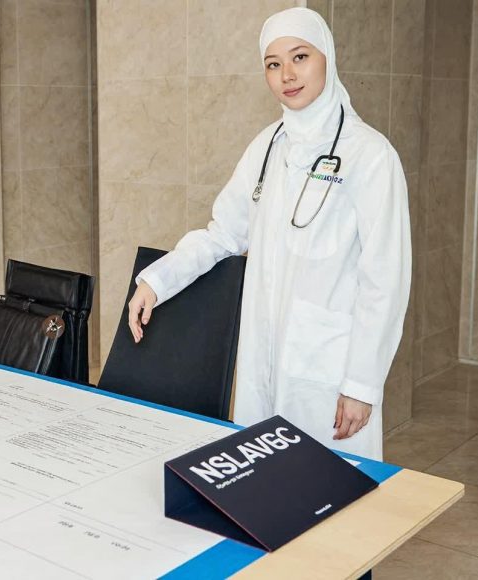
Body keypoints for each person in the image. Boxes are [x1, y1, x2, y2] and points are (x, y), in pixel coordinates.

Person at [126, 7, 411, 462]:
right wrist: (157, 281)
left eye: (300, 57)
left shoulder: (371, 155)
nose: (287, 75)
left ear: (327, 57)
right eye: (273, 64)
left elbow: (385, 279)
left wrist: (361, 384)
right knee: (260, 484)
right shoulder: (266, 147)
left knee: (329, 487)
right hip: (261, 362)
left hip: (328, 369)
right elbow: (223, 234)